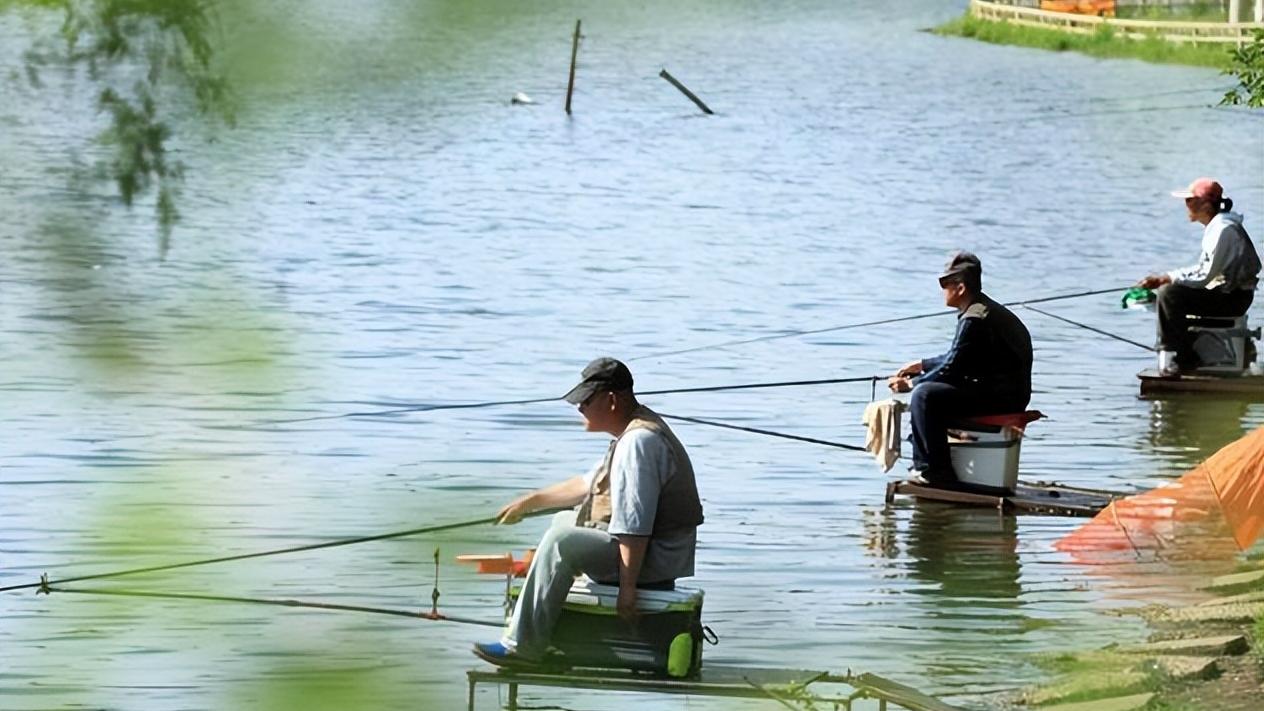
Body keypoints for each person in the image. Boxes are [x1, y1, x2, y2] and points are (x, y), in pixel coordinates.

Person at [473, 357, 704, 668]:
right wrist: (527, 502)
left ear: (611, 400)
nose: (579, 407)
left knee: (561, 541)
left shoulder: (639, 442)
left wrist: (627, 588)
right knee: (563, 520)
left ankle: (522, 647)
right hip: (648, 553)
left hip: (654, 561)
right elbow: (587, 485)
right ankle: (540, 609)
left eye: (585, 400)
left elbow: (635, 527)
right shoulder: (633, 431)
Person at [888, 252, 1033, 487]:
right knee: (930, 390)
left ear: (961, 288)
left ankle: (934, 471)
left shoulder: (975, 318)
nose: (942, 289)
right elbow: (959, 357)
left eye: (945, 284)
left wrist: (911, 384)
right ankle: (931, 463)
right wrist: (922, 365)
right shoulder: (981, 310)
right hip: (1003, 392)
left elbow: (953, 367)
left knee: (924, 396)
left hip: (1002, 398)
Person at [1138, 178, 1260, 375]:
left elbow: (1203, 276)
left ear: (1205, 204)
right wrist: (1167, 277)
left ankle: (1177, 358)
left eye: (1189, 200)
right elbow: (1203, 269)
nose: (1186, 205)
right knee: (1169, 292)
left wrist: (1166, 281)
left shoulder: (1223, 230)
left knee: (1169, 294)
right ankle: (1187, 354)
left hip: (1233, 299)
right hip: (1226, 293)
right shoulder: (1217, 227)